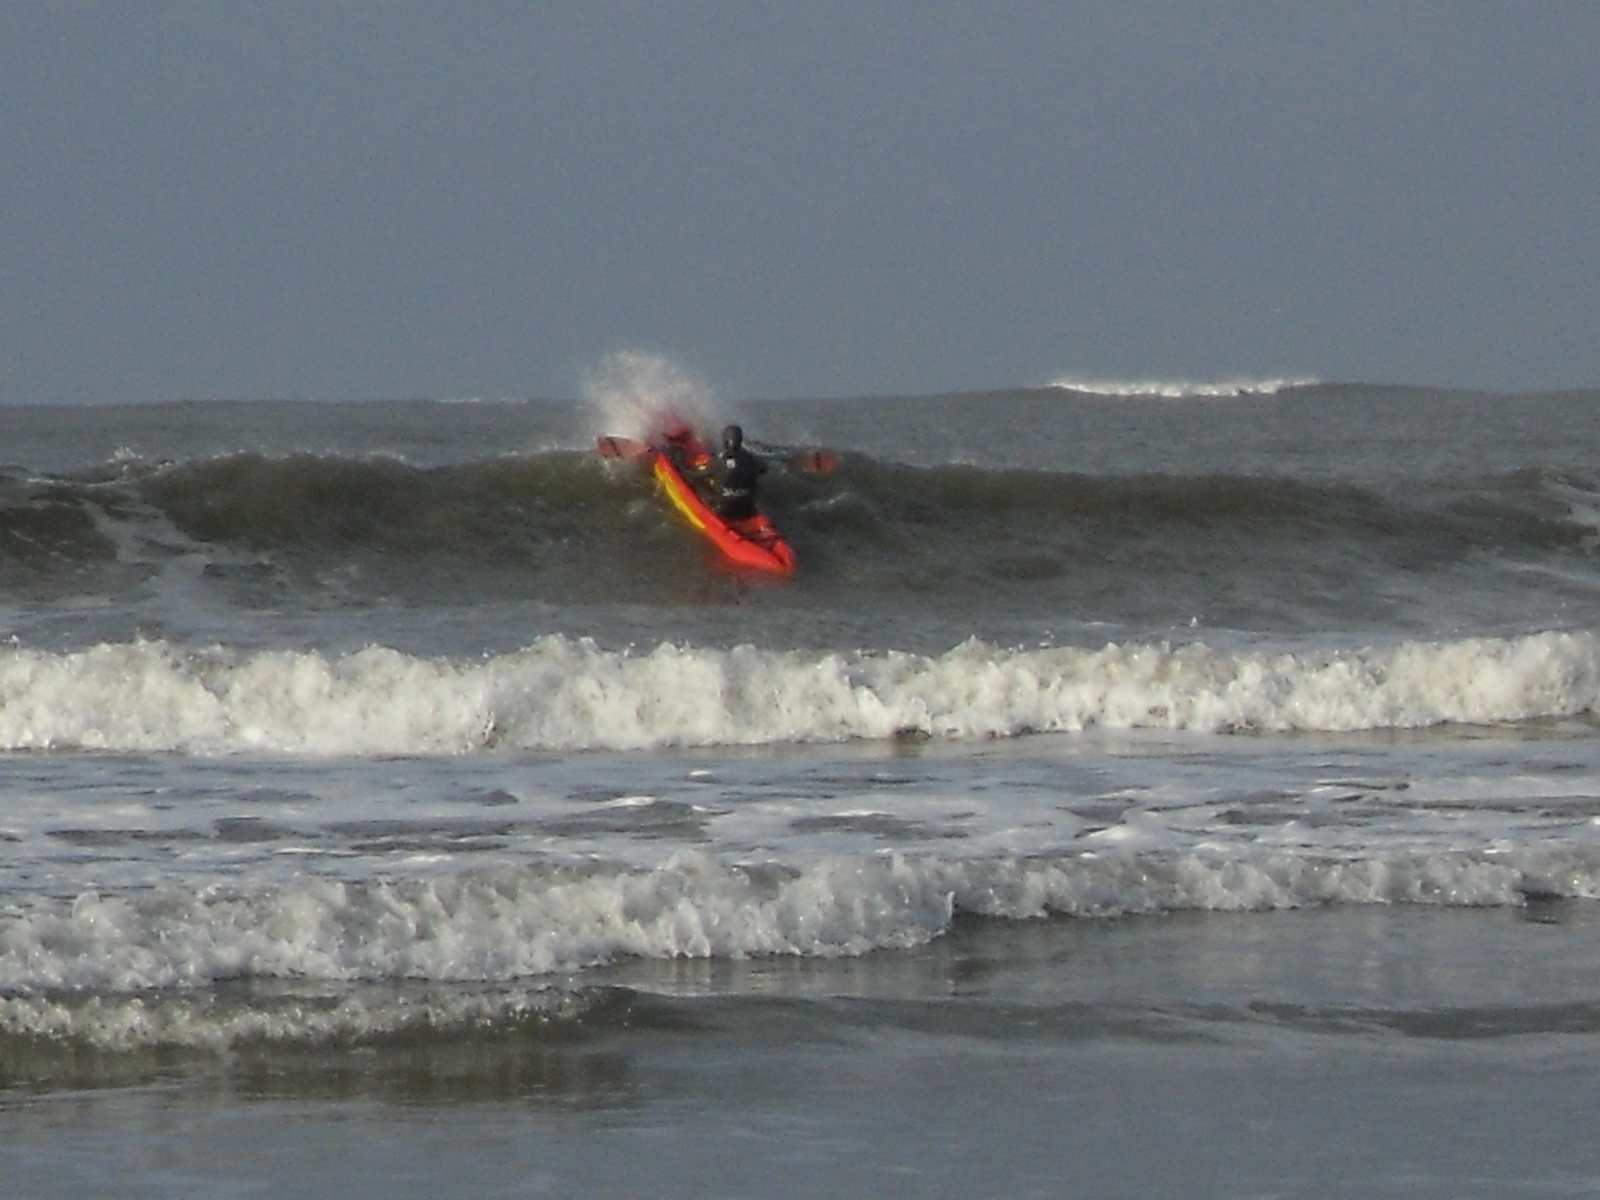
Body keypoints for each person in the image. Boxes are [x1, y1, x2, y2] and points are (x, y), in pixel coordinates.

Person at [715, 424, 766, 521]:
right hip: (747, 508)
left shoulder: (722, 458)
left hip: (725, 509)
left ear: (725, 441)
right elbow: (763, 469)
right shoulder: (750, 458)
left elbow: (707, 472)